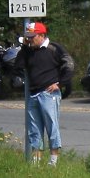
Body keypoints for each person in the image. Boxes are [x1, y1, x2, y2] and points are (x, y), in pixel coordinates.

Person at [17, 22, 74, 167]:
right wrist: (24, 47)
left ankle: (53, 161)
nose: (30, 39)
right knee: (34, 129)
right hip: (33, 94)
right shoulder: (29, 50)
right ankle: (36, 162)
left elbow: (69, 65)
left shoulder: (53, 48)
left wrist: (60, 84)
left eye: (32, 36)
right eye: (28, 37)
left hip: (49, 93)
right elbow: (18, 65)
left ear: (42, 35)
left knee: (51, 126)